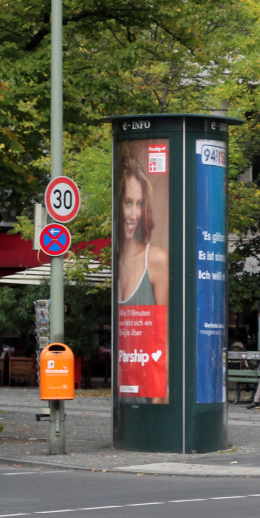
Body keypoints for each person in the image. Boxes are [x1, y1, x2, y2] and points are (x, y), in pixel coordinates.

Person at [115, 148, 169, 403]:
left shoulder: (156, 259)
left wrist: (158, 401)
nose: (133, 214)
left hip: (148, 394)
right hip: (123, 389)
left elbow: (164, 337)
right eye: (128, 202)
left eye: (139, 204)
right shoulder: (116, 261)